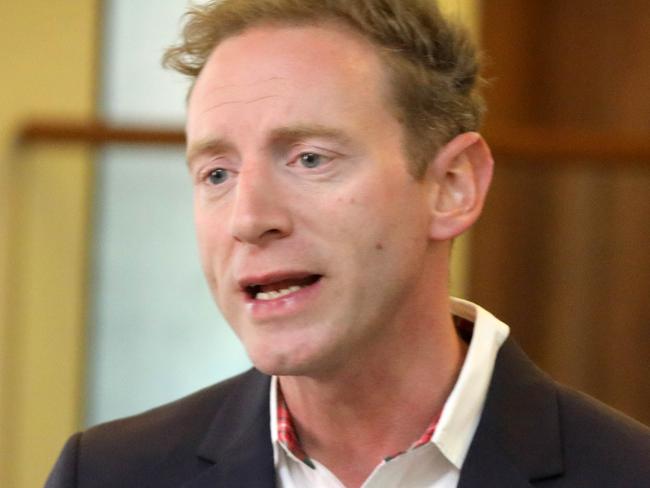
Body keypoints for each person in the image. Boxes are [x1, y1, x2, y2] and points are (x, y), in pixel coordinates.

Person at [46, 1, 649, 487]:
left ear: (451, 186)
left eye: (310, 158)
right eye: (217, 174)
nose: (249, 218)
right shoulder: (105, 472)